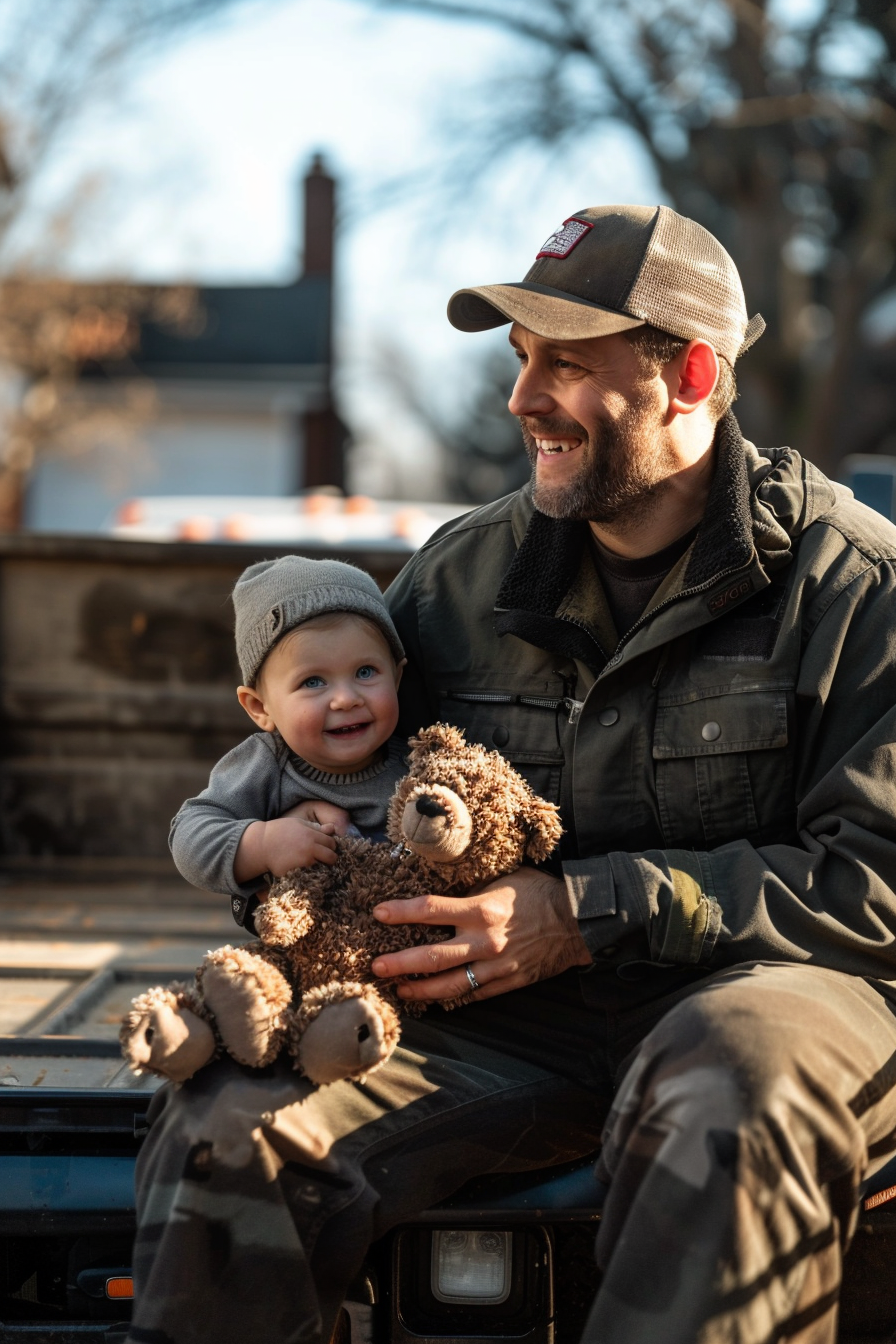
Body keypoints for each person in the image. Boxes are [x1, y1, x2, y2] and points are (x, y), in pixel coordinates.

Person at [126, 205, 896, 1344]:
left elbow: (872, 890)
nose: (521, 398)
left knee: (732, 1083)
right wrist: (275, 871)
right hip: (506, 1021)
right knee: (233, 1125)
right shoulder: (460, 576)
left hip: (756, 994)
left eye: (567, 364)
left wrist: (586, 909)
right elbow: (322, 779)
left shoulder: (852, 588)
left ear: (688, 373)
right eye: (518, 357)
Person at [168, 555, 408, 933]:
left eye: (365, 672)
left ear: (396, 677)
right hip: (314, 951)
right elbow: (188, 836)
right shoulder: (268, 764)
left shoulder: (420, 758)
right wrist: (262, 844)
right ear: (260, 708)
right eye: (313, 681)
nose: (346, 699)